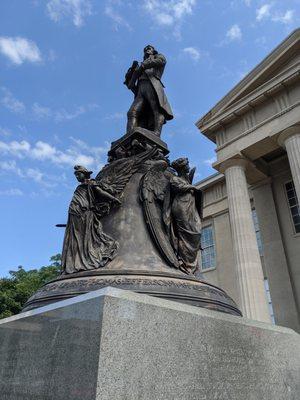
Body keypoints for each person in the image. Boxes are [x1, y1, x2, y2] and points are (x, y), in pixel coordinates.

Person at [61, 165, 119, 274]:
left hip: (84, 213)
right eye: (76, 175)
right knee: (76, 238)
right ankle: (75, 261)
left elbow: (100, 192)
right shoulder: (80, 187)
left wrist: (113, 199)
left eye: (79, 174)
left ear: (85, 173)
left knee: (83, 237)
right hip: (74, 214)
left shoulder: (91, 183)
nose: (77, 176)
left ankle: (85, 258)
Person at [125, 45, 173, 137]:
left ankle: (156, 133)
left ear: (153, 51)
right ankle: (130, 135)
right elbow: (130, 84)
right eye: (145, 49)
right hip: (140, 89)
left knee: (156, 109)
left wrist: (143, 66)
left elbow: (161, 61)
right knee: (132, 113)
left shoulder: (157, 56)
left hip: (152, 85)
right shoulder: (139, 66)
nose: (147, 50)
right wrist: (131, 73)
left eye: (149, 48)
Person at [169, 158, 202, 274]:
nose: (189, 166)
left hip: (191, 208)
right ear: (182, 167)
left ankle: (191, 265)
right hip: (181, 207)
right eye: (187, 164)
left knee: (197, 232)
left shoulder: (186, 179)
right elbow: (179, 188)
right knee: (185, 233)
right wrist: (192, 187)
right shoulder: (174, 179)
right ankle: (186, 265)